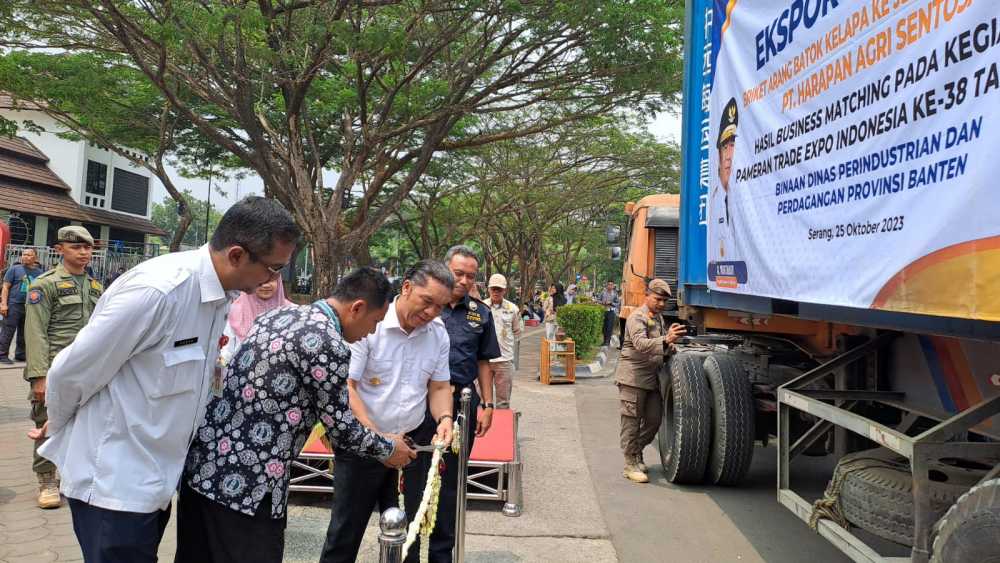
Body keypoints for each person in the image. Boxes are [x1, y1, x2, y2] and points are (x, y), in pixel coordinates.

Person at [33, 196, 300, 562]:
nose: (274, 279)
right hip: (114, 484)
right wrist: (62, 424)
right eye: (272, 267)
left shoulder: (221, 297)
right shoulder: (159, 292)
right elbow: (71, 371)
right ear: (237, 255)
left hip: (156, 482)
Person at [177, 267, 416, 563]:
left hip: (202, 472)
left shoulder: (274, 316)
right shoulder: (330, 343)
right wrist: (388, 449)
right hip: (250, 488)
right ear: (358, 308)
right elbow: (342, 428)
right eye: (375, 322)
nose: (371, 332)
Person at [320, 260, 455, 563]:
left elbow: (439, 387)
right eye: (427, 302)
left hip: (410, 447)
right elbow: (349, 387)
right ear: (407, 287)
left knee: (409, 535)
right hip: (362, 444)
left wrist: (445, 418)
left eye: (441, 307)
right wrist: (379, 440)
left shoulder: (437, 334)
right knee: (344, 533)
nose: (432, 312)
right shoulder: (370, 322)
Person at [423, 245, 500, 563]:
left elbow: (484, 362)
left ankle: (442, 555)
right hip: (420, 402)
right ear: (445, 270)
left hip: (462, 404)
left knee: (452, 483)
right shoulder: (428, 307)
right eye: (459, 273)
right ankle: (409, 550)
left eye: (471, 275)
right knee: (415, 477)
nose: (466, 280)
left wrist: (488, 404)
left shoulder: (480, 313)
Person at [22, 228, 99, 509]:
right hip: (54, 368)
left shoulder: (94, 286)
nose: (84, 252)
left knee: (82, 424)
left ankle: (71, 478)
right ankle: (46, 481)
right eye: (76, 247)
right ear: (60, 249)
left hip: (86, 370)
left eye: (88, 248)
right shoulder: (45, 284)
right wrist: (39, 376)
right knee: (47, 423)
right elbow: (35, 332)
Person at [617, 279, 686, 484]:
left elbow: (659, 345)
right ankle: (629, 464)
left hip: (651, 379)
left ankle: (636, 453)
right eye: (658, 299)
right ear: (647, 295)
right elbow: (640, 344)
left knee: (654, 420)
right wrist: (665, 340)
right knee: (631, 422)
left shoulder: (658, 319)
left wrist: (670, 345)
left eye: (664, 301)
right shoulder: (636, 317)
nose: (661, 304)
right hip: (633, 378)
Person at [219, 277, 293, 365]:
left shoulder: (293, 312)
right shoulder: (235, 311)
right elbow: (226, 350)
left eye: (272, 280)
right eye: (260, 280)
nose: (266, 285)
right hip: (242, 372)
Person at [0, 247, 43, 364]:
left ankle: (20, 354)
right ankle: (2, 354)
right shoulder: (14, 269)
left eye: (29, 255)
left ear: (35, 257)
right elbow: (5, 287)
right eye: (24, 254)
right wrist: (3, 304)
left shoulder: (40, 273)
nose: (25, 257)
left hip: (30, 306)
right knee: (8, 330)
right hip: (14, 305)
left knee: (24, 332)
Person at [710, 97, 739, 265]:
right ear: (719, 155)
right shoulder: (713, 204)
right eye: (725, 147)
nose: (728, 156)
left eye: (733, 146)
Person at [486, 274, 522, 409]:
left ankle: (501, 428)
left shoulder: (513, 309)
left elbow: (517, 332)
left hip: (504, 361)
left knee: (503, 402)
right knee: (482, 401)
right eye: (493, 289)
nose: (496, 292)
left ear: (504, 290)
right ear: (488, 289)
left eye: (499, 289)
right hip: (485, 361)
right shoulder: (481, 307)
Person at [597, 280, 621, 347]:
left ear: (613, 286)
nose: (610, 286)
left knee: (609, 327)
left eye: (611, 285)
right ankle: (604, 341)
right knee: (604, 327)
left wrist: (611, 303)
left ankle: (608, 341)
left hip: (611, 312)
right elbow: (598, 300)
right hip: (604, 311)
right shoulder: (603, 292)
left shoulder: (615, 294)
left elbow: (618, 303)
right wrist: (603, 302)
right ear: (607, 285)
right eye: (609, 284)